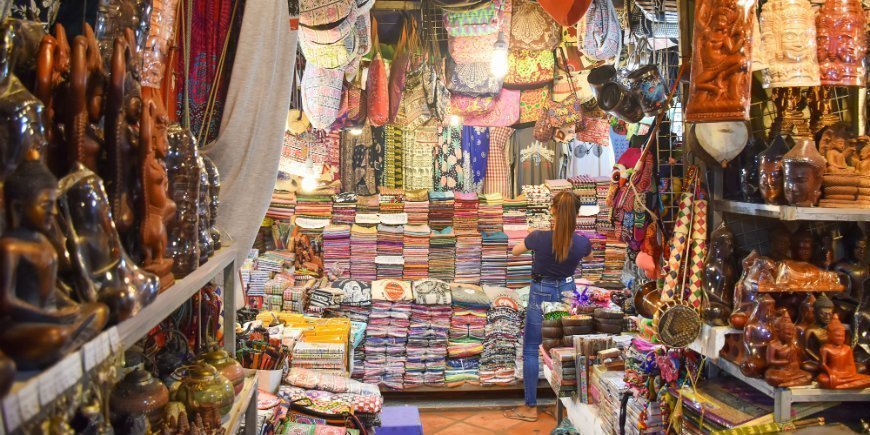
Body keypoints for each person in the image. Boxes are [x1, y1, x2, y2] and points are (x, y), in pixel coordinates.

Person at [504, 191, 593, 422]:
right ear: (577, 213)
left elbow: (514, 251)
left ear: (552, 210)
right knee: (565, 348)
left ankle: (531, 408)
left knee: (533, 347)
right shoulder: (582, 242)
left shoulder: (538, 238)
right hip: (567, 292)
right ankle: (565, 411)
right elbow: (589, 257)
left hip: (541, 290)